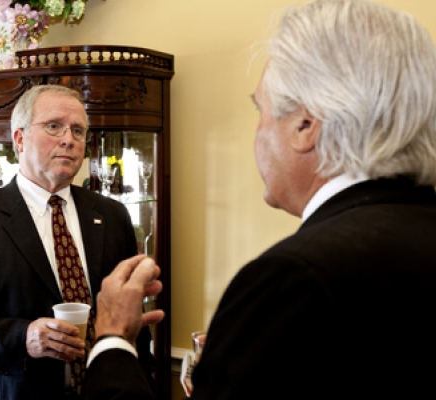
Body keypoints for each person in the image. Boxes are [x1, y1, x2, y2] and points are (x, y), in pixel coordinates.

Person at [83, 0, 436, 398]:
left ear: (305, 124)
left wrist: (112, 339)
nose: (258, 134)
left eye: (262, 111)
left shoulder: (293, 280)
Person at [0, 84, 155, 399]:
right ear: (19, 139)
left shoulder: (112, 215)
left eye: (78, 131)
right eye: (54, 126)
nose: (68, 139)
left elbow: (129, 315)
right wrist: (22, 337)